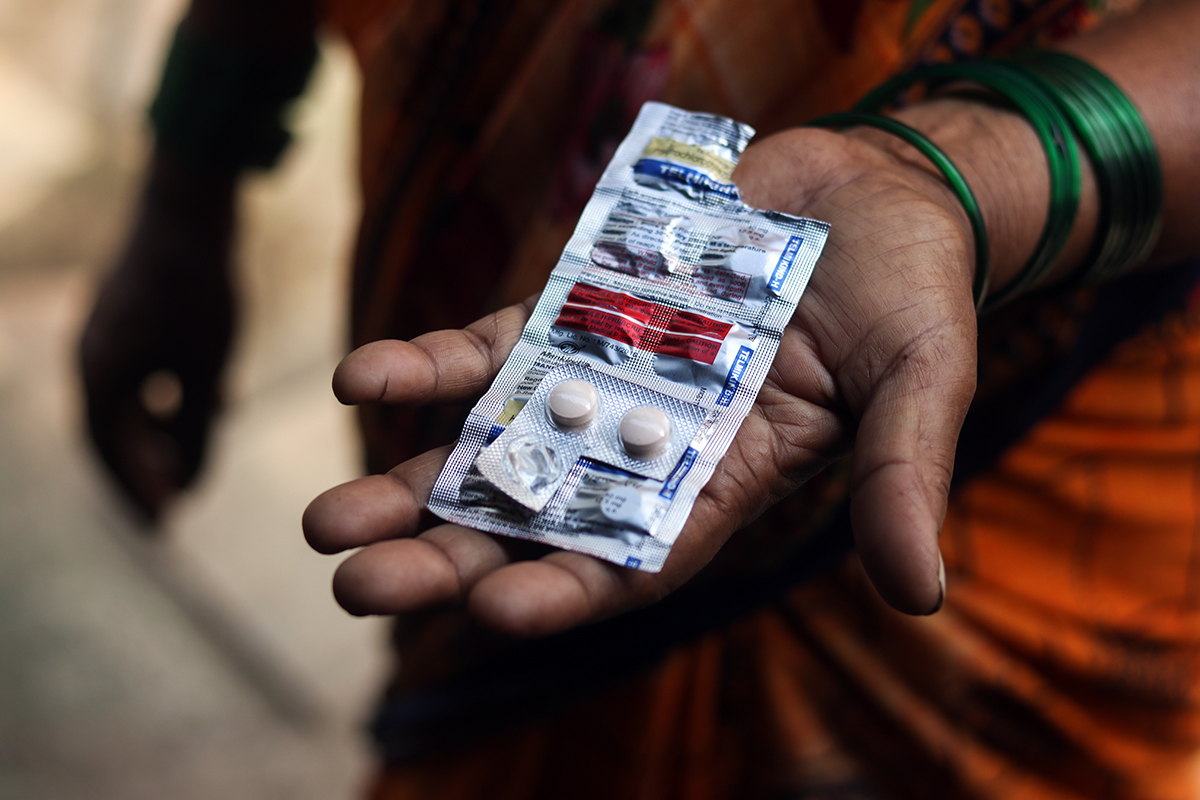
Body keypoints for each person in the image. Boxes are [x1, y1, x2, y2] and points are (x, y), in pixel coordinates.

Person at [82, 0, 1200, 795]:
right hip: (504, 168)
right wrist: (196, 159)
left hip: (1063, 386)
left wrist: (972, 175)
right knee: (475, 600)